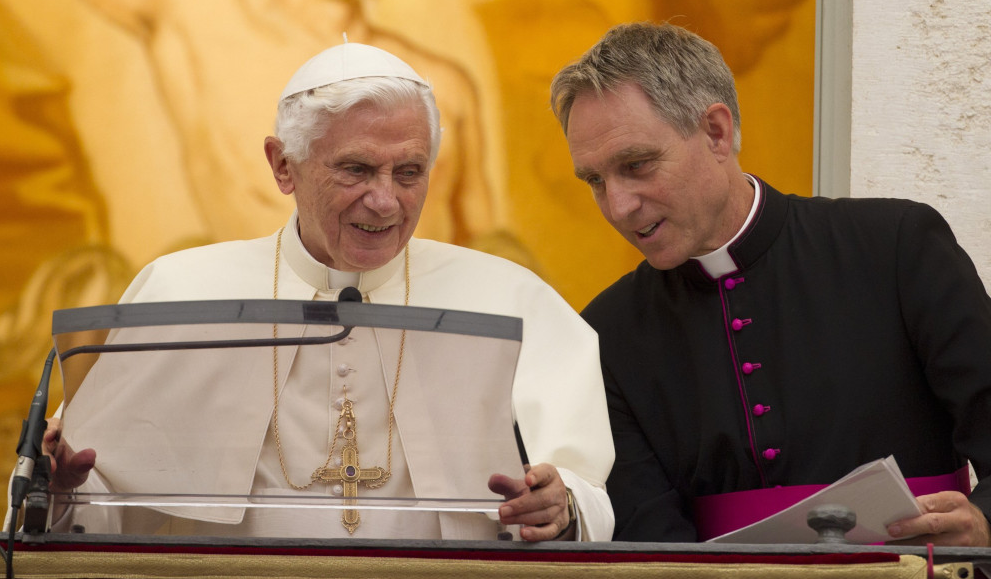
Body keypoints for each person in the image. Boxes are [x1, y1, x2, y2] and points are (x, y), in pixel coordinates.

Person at [40, 42, 615, 542]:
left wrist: (561, 508)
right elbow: (100, 509)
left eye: (409, 173)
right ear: (283, 165)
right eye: (356, 170)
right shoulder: (180, 291)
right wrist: (66, 488)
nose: (386, 201)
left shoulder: (507, 298)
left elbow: (584, 494)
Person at [550, 21, 991, 545]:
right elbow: (648, 536)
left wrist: (985, 524)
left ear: (716, 132)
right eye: (595, 181)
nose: (619, 206)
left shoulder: (896, 247)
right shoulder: (606, 332)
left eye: (637, 165)